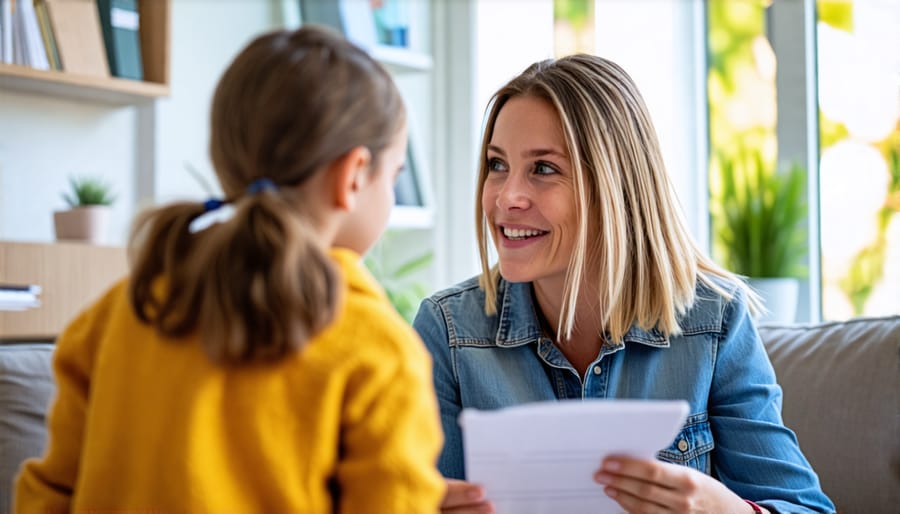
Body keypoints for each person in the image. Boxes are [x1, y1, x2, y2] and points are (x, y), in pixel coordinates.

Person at [16, 26, 444, 514]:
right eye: (392, 177)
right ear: (352, 177)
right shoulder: (375, 346)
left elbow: (48, 495)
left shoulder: (116, 314)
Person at [417, 54, 835, 514]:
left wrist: (724, 510)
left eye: (543, 169)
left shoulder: (714, 319)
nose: (506, 197)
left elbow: (807, 508)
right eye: (497, 165)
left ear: (615, 185)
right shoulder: (448, 330)